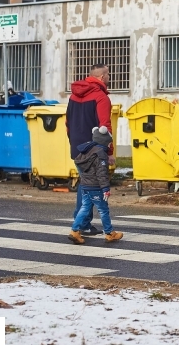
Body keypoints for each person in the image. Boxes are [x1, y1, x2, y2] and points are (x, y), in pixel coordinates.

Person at [67, 63, 115, 236]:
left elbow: (68, 123)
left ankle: (82, 222)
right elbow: (105, 127)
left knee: (85, 183)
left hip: (77, 146)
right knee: (90, 185)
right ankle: (81, 224)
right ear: (102, 77)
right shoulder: (101, 97)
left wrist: (73, 143)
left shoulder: (73, 96)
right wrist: (109, 152)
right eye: (108, 74)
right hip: (94, 149)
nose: (110, 77)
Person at [68, 126, 123, 244]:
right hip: (96, 187)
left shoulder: (87, 151)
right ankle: (109, 233)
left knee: (84, 208)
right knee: (103, 210)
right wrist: (105, 189)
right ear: (104, 142)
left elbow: (82, 165)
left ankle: (75, 231)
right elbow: (101, 173)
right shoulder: (100, 154)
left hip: (85, 186)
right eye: (109, 143)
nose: (109, 146)